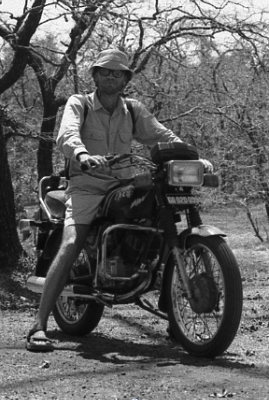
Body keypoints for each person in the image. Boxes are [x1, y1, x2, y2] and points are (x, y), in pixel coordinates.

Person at [26, 48, 213, 351]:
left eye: (118, 73)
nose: (112, 77)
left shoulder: (134, 109)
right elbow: (67, 135)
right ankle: (39, 326)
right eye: (106, 71)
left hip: (122, 184)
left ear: (126, 78)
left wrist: (193, 157)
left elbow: (161, 136)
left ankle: (172, 319)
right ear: (96, 75)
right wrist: (83, 155)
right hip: (87, 186)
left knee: (160, 220)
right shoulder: (80, 103)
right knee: (73, 242)